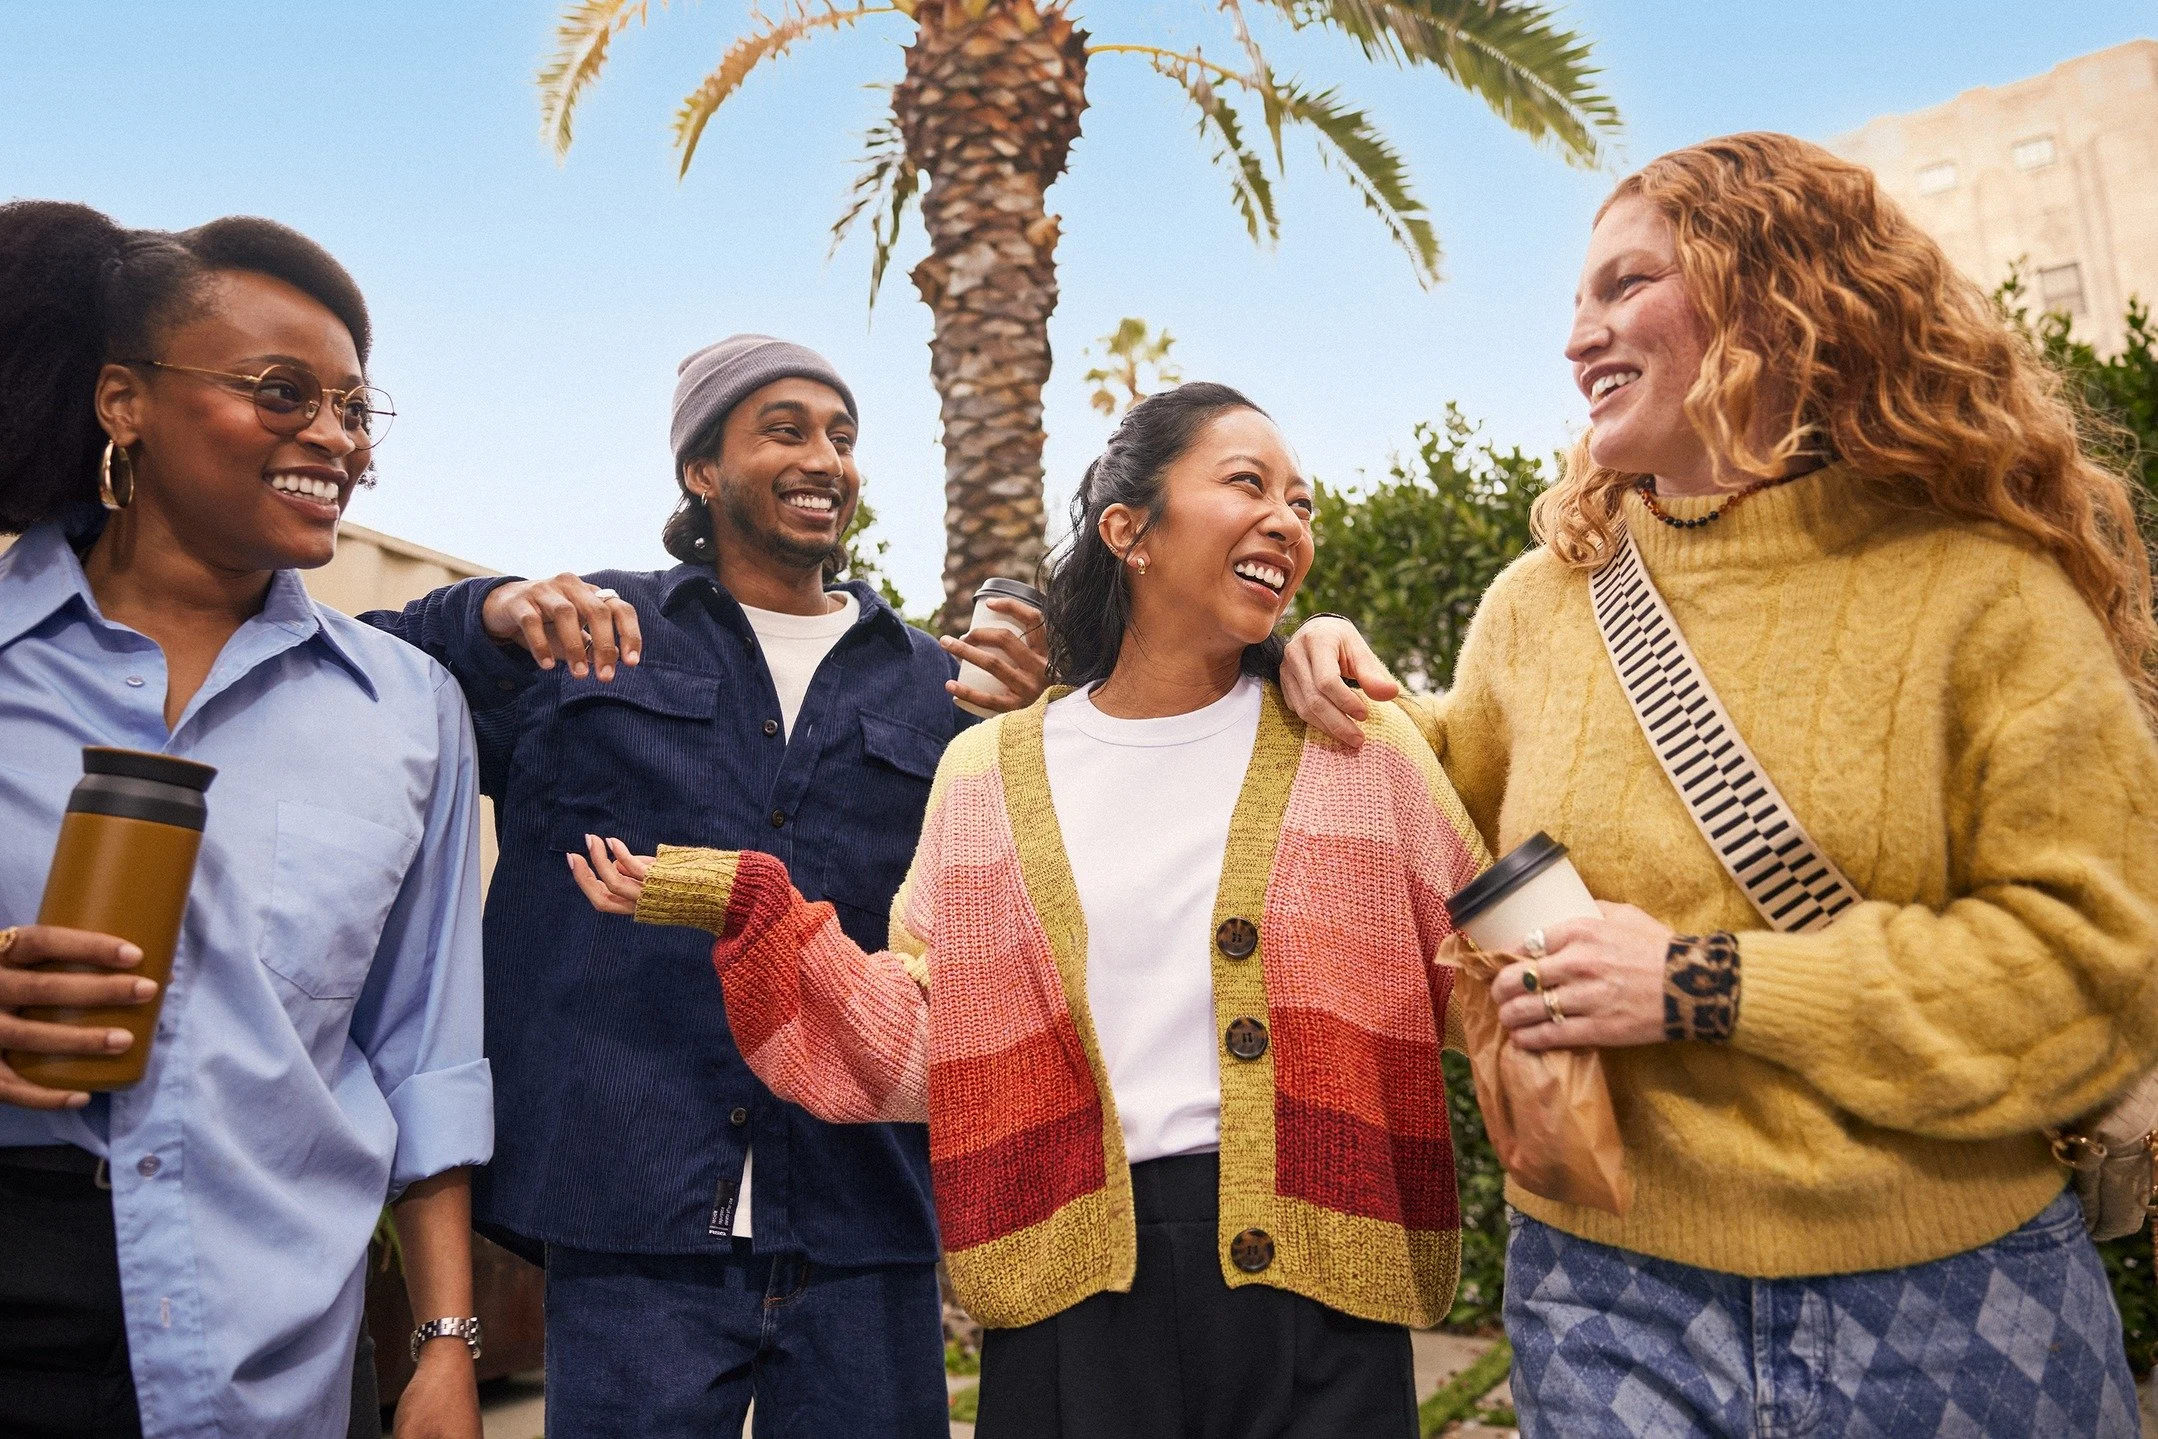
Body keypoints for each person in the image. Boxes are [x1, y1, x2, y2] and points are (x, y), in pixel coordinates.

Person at [1282, 132, 2158, 1438]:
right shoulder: (1538, 608)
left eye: (1625, 285)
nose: (1579, 335)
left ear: (1775, 292)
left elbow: (2091, 971)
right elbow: (1443, 806)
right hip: (1598, 1294)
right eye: (1576, 299)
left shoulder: (1986, 594)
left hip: (1949, 1296)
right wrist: (1319, 663)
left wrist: (1702, 982)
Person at [570, 382, 1491, 1437]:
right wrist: (751, 908)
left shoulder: (1356, 745)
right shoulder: (989, 774)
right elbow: (929, 1043)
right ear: (1128, 530)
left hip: (1323, 1296)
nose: (1287, 520)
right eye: (1248, 484)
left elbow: (1492, 962)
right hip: (1068, 1292)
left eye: (1303, 502)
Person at [363, 333, 1048, 1436]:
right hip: (629, 1211)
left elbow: (1006, 919)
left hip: (864, 1214)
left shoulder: (940, 690)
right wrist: (485, 613)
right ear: (700, 469)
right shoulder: (589, 636)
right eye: (784, 428)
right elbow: (359, 672)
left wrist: (1039, 728)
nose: (824, 455)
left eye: (842, 435)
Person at [0, 201, 491, 1439]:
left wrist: (444, 1344)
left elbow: (423, 1051)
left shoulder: (409, 711)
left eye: (354, 407)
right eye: (283, 392)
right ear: (126, 401)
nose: (333, 437)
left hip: (265, 1351)